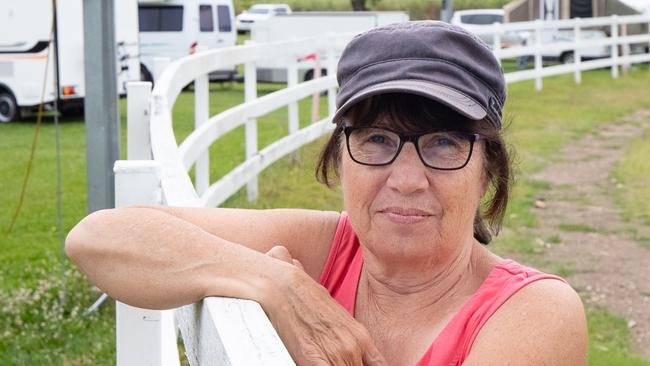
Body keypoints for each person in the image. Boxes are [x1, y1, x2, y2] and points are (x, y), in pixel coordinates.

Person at [66, 21, 588, 365]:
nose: (406, 179)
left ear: (488, 173)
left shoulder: (535, 313)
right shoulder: (324, 248)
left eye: (444, 143)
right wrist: (274, 281)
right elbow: (99, 237)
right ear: (340, 158)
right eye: (377, 139)